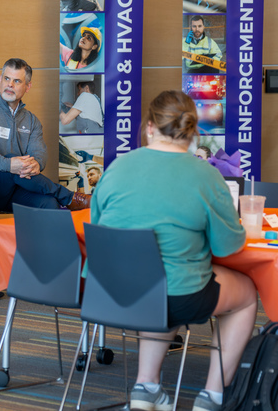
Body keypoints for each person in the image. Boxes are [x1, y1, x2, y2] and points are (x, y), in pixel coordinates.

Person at [91, 90, 256, 411]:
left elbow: (99, 226)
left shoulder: (116, 168)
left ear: (150, 127)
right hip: (175, 294)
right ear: (193, 133)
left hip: (111, 291)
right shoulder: (205, 174)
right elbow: (229, 245)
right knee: (245, 293)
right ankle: (213, 396)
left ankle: (147, 387)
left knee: (160, 279)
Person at [0, 58, 91, 211]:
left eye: (17, 81)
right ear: (0, 80)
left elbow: (39, 152)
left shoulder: (31, 121)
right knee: (12, 160)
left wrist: (37, 163)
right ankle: (68, 197)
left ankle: (57, 225)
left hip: (17, 186)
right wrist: (10, 165)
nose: (10, 84)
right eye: (7, 78)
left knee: (48, 203)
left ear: (27, 86)